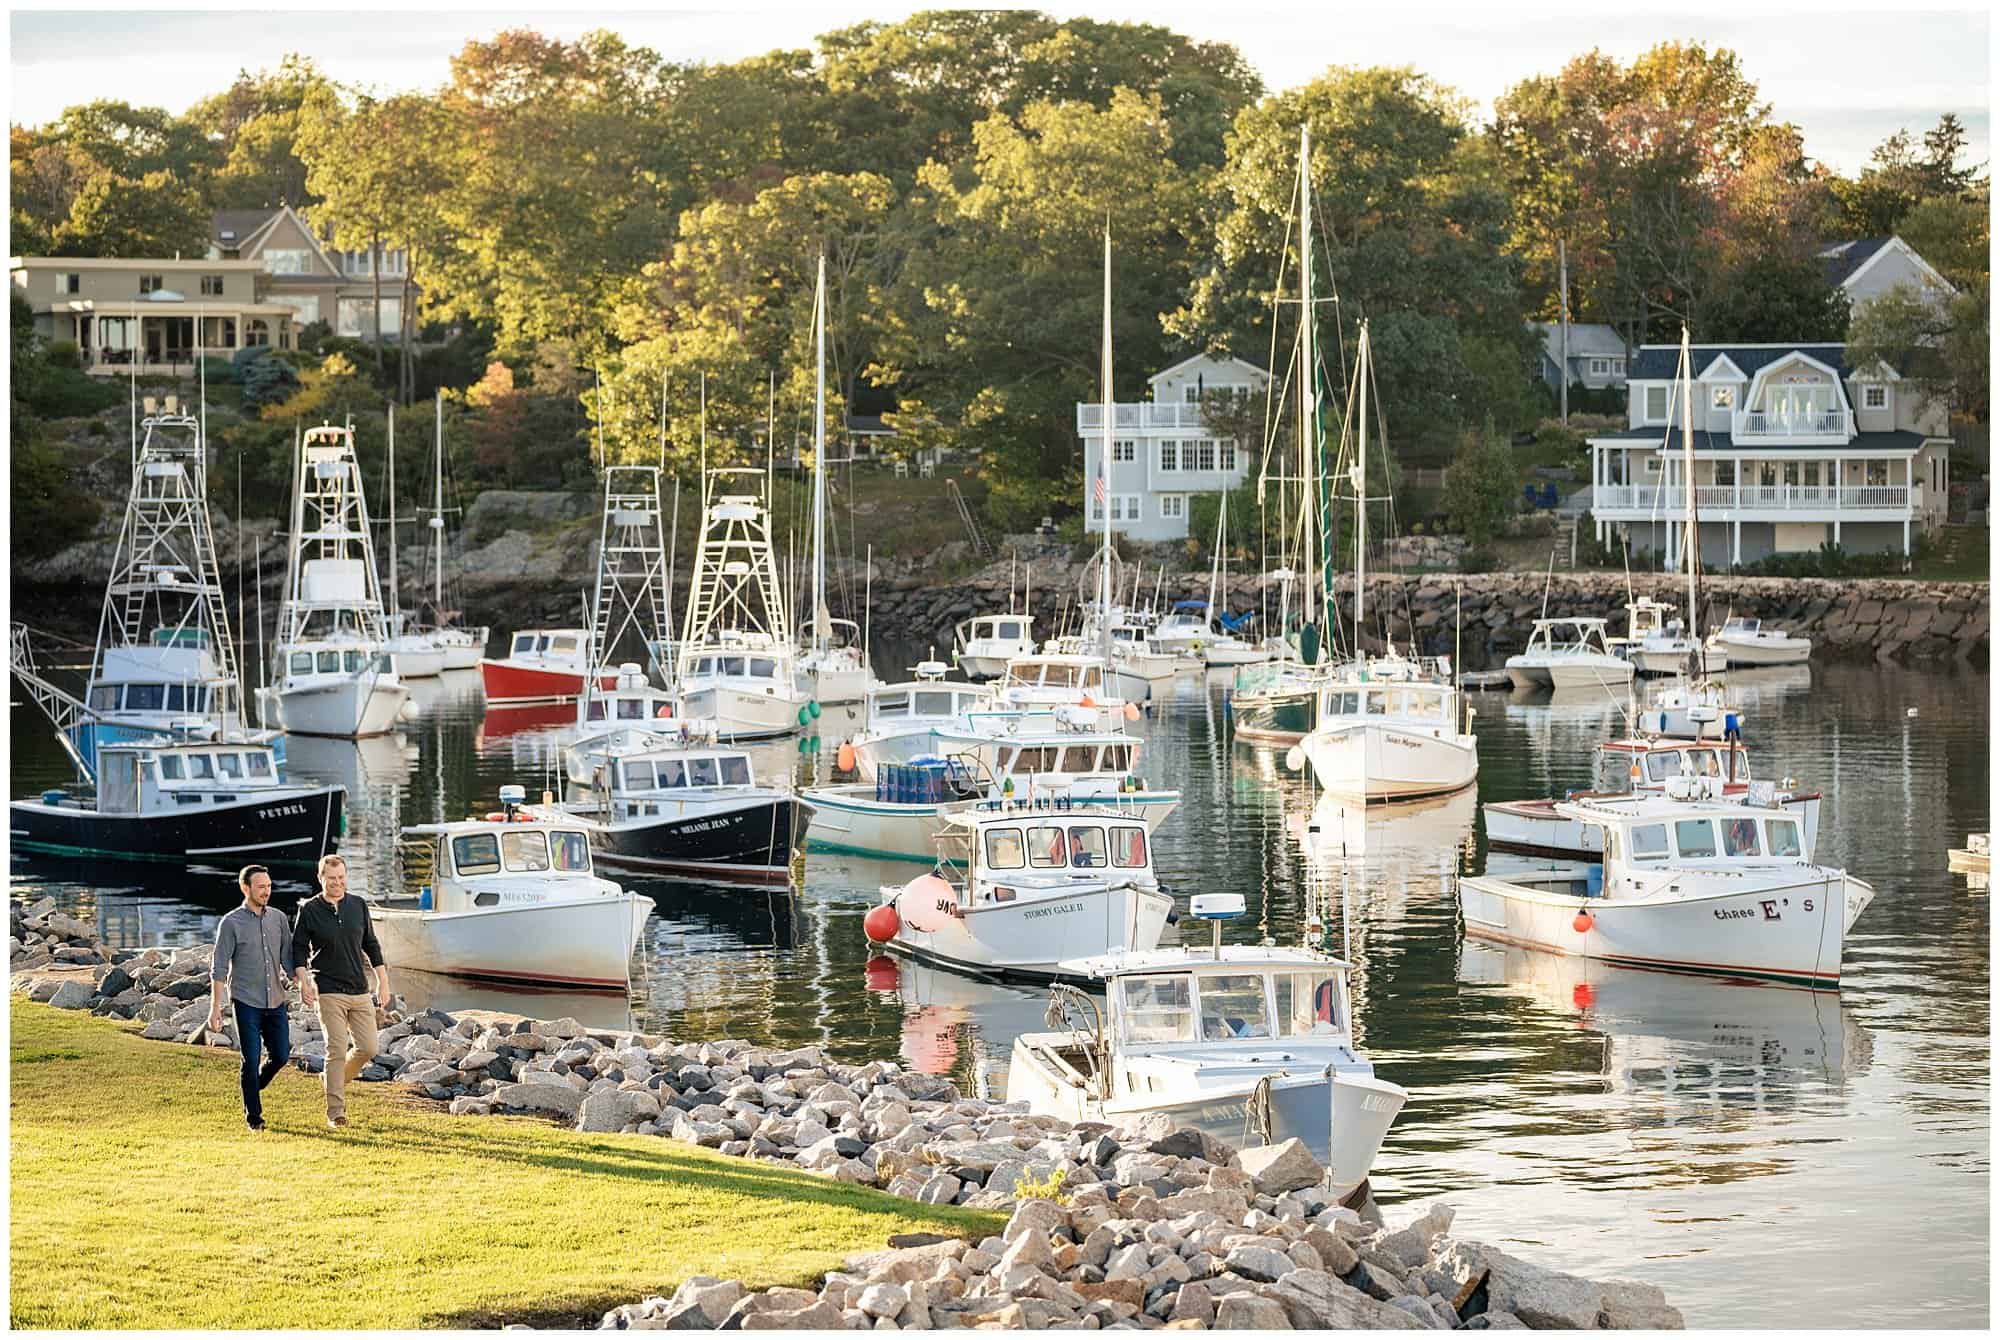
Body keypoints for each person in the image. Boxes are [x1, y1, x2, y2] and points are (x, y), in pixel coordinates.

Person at [290, 854, 388, 1130]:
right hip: (328, 989)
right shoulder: (309, 909)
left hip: (359, 989)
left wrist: (383, 981)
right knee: (335, 1049)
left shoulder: (357, 905)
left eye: (342, 878)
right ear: (321, 878)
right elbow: (298, 948)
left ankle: (331, 1079)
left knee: (368, 1047)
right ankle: (336, 1113)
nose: (337, 883)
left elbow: (371, 944)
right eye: (331, 879)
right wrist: (302, 981)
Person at [208, 864, 293, 1132]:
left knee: (280, 1056)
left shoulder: (278, 918)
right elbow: (219, 968)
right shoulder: (231, 923)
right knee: (251, 1057)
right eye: (261, 887)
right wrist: (216, 1008)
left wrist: (303, 982)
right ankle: (254, 1117)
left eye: (269, 886)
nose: (266, 891)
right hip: (246, 1001)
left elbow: (289, 959)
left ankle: (254, 1085)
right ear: (246, 888)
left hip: (275, 1000)